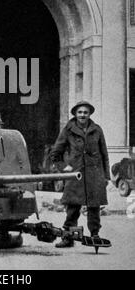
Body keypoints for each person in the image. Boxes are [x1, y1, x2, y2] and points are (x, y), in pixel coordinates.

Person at [50, 101, 110, 248]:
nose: (83, 115)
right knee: (72, 208)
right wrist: (64, 168)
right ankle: (68, 237)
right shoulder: (68, 130)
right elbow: (55, 154)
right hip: (75, 174)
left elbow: (104, 154)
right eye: (80, 112)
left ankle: (95, 235)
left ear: (89, 114)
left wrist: (106, 176)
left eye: (85, 112)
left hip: (94, 174)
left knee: (94, 208)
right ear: (75, 114)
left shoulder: (97, 130)